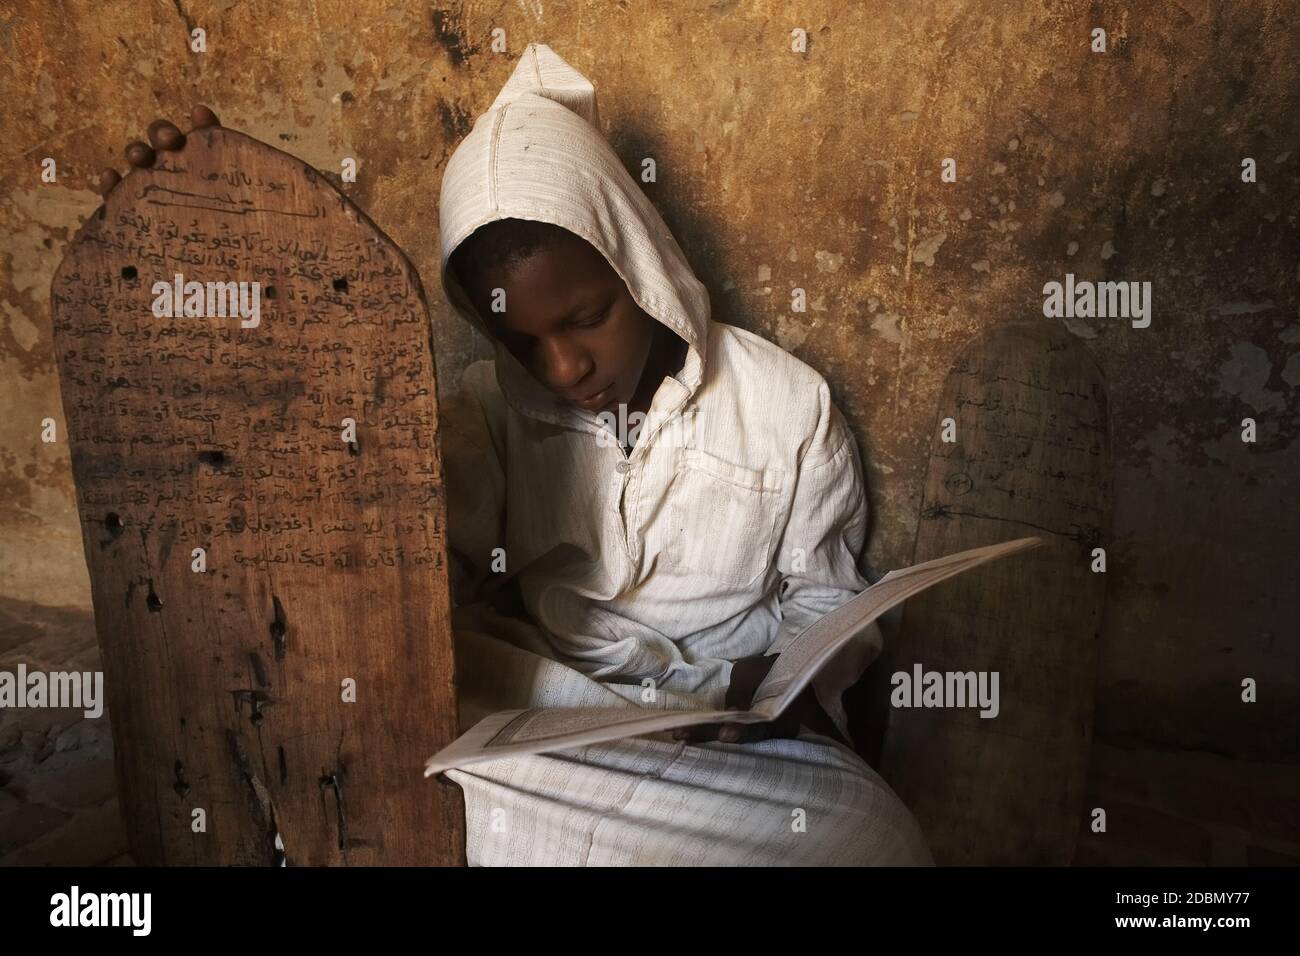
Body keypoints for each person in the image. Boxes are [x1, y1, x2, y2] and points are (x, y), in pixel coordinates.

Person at [98, 44, 933, 866]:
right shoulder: (490, 411)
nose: (564, 369)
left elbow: (826, 600)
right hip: (544, 717)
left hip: (723, 733)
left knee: (868, 840)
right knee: (350, 764)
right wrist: (197, 258)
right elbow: (402, 585)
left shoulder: (787, 404)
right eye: (520, 340)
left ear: (639, 263)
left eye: (586, 317)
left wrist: (777, 687)